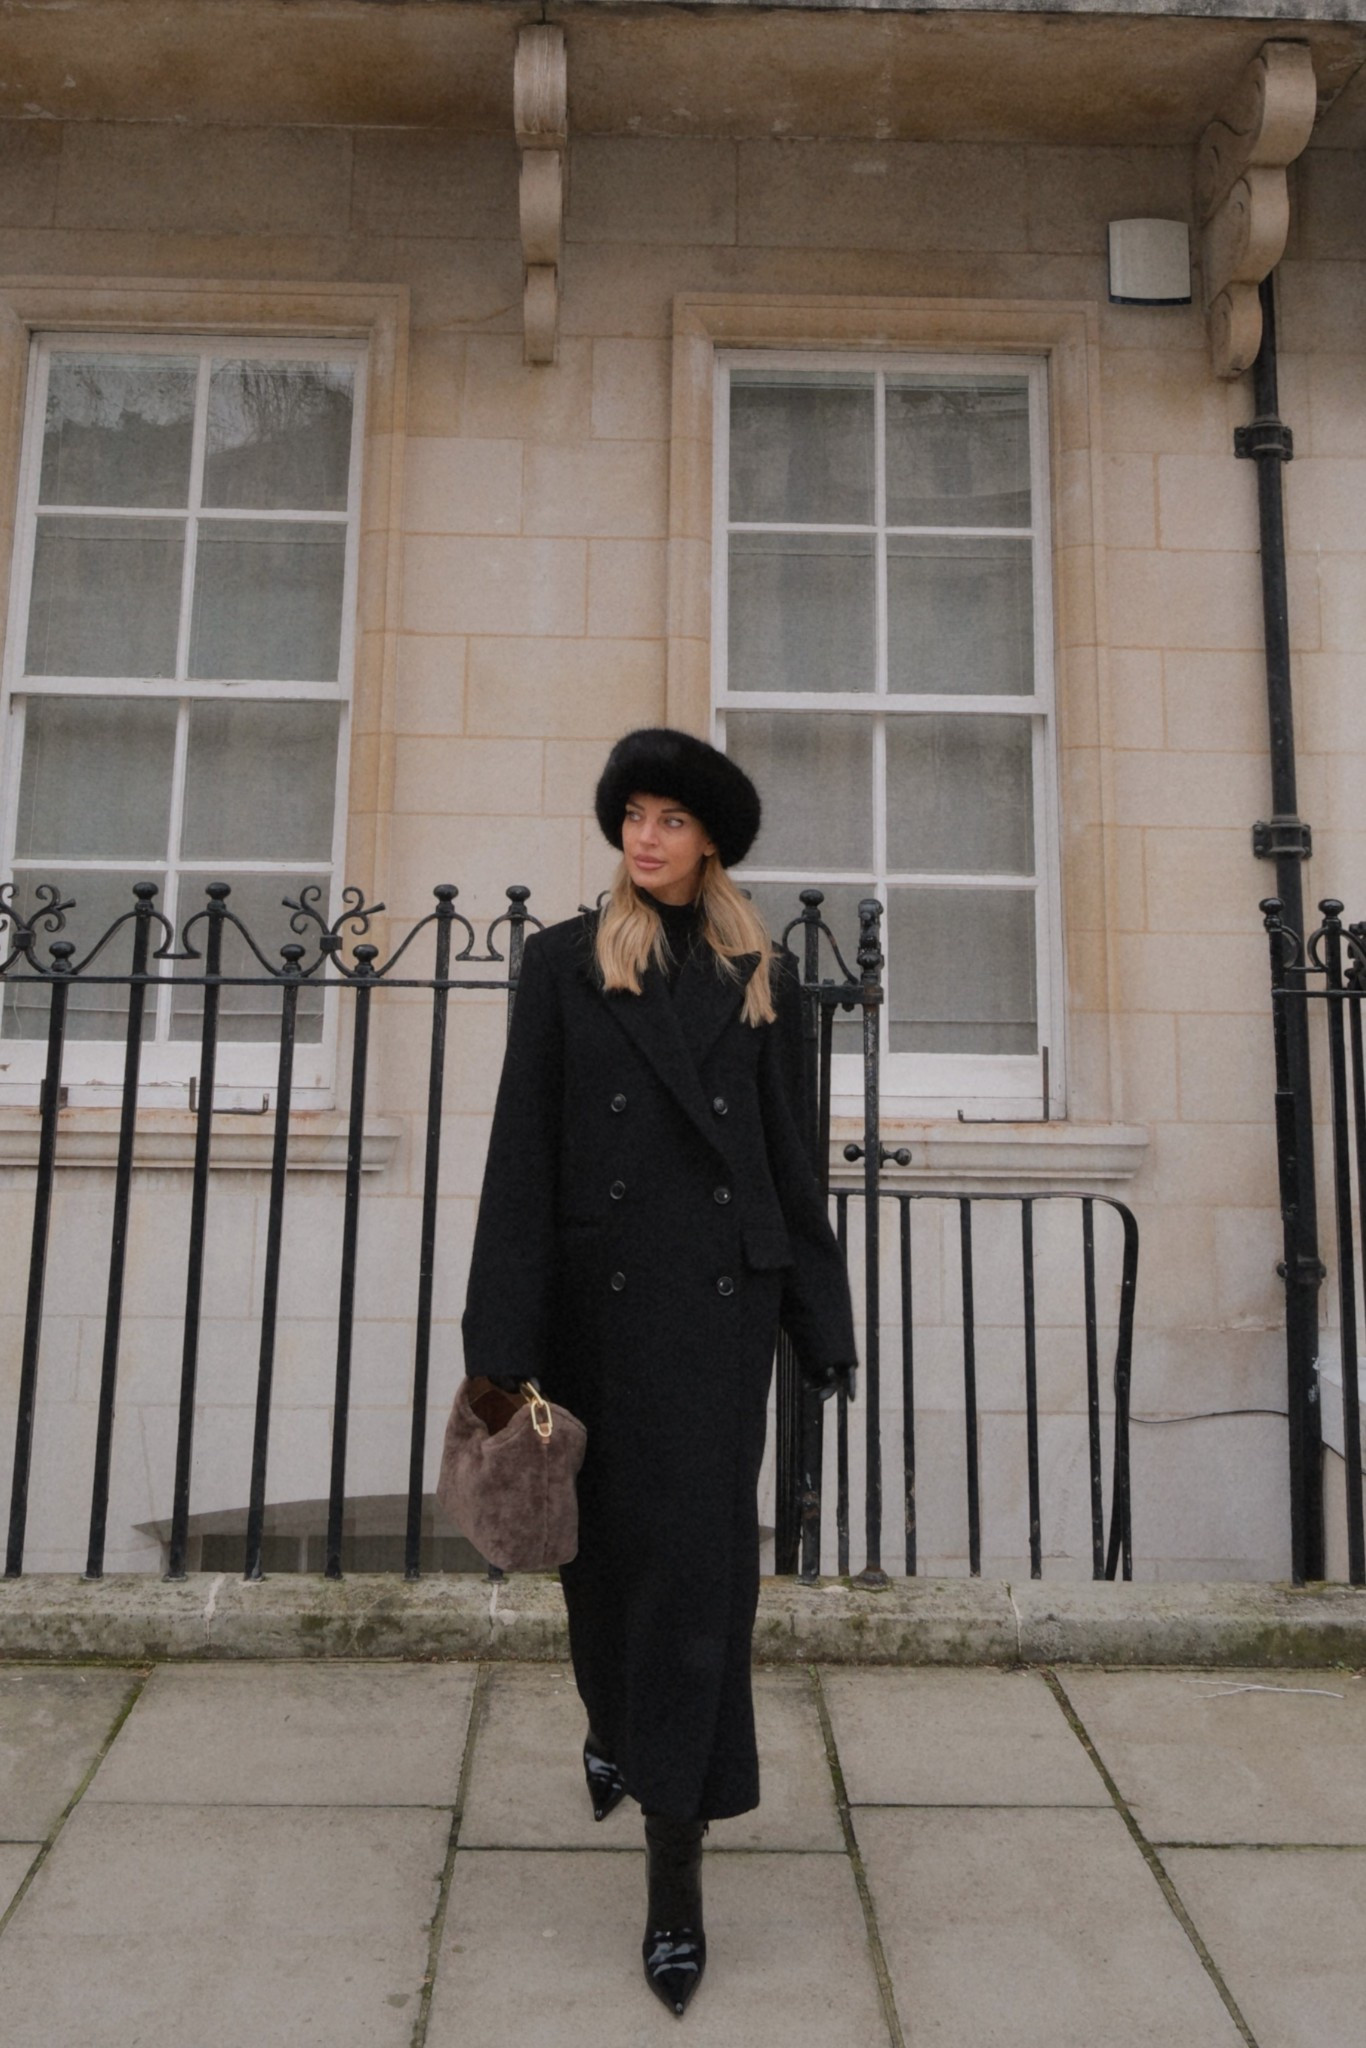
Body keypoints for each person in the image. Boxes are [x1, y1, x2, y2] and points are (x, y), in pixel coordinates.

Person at [461, 727, 858, 2017]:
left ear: (709, 842)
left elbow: (788, 1156)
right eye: (633, 814)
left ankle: (674, 1866)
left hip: (714, 1320)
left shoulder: (760, 978)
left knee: (698, 1583)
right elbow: (524, 1152)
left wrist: (820, 1313)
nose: (645, 837)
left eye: (670, 820)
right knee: (605, 1562)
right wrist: (496, 1343)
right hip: (596, 1314)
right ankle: (613, 1723)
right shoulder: (564, 966)